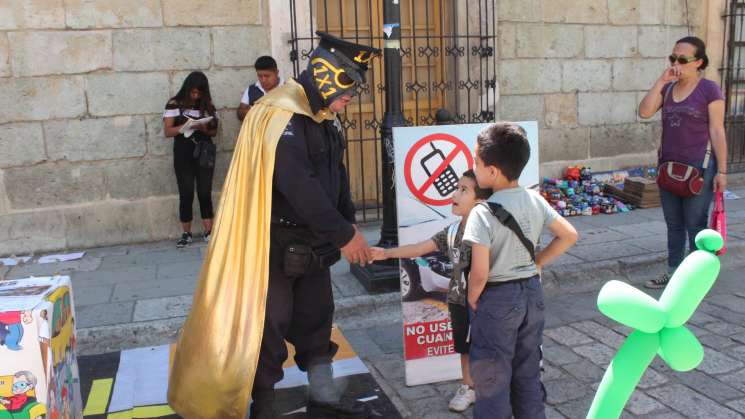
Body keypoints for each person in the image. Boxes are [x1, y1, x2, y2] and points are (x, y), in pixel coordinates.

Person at [167, 32, 379, 419]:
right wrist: (346, 235)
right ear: (328, 75)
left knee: (317, 319)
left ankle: (324, 398)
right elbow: (300, 185)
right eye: (350, 84)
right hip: (275, 244)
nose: (353, 96)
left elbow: (336, 176)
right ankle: (261, 408)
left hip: (315, 244)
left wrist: (345, 224)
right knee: (267, 328)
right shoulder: (279, 113)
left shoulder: (324, 118)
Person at [463, 123, 578, 419]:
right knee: (527, 374)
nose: (473, 168)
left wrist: (473, 297)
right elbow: (569, 235)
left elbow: (479, 272)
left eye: (476, 162)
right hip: (531, 295)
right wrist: (537, 262)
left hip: (497, 299)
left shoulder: (482, 212)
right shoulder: (534, 198)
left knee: (491, 379)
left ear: (493, 171)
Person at [369, 169, 491, 412]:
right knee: (464, 348)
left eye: (463, 190)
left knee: (492, 347)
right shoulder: (452, 231)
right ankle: (468, 387)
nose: (454, 194)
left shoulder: (491, 230)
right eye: (456, 188)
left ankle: (494, 390)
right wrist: (387, 253)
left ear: (480, 201)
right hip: (458, 300)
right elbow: (419, 248)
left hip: (488, 302)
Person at [638, 36, 727, 289]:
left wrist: (721, 171)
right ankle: (673, 272)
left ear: (698, 62)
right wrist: (661, 81)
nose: (676, 63)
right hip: (669, 167)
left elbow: (718, 130)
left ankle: (698, 277)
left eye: (683, 59)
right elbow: (644, 112)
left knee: (695, 225)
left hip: (698, 167)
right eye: (673, 57)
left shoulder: (709, 89)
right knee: (673, 224)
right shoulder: (667, 89)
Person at [163, 71, 219, 247]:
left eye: (199, 93)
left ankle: (208, 231)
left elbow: (214, 132)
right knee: (186, 192)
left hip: (204, 151)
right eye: (193, 92)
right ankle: (186, 233)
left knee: (204, 191)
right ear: (187, 89)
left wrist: (202, 128)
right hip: (183, 151)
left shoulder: (207, 105)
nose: (195, 96)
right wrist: (185, 126)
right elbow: (168, 131)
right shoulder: (174, 103)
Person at [236, 55, 284, 121]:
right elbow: (240, 114)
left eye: (267, 76)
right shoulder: (252, 89)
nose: (263, 80)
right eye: (260, 76)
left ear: (276, 73)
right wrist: (252, 111)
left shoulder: (286, 87)